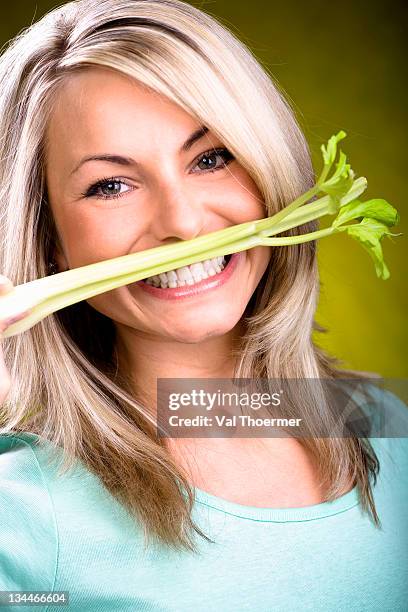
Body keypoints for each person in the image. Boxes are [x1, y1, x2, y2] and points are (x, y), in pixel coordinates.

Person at [0, 0, 407, 610]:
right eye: (110, 185)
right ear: (48, 240)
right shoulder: (20, 508)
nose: (184, 225)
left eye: (211, 158)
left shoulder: (383, 421)